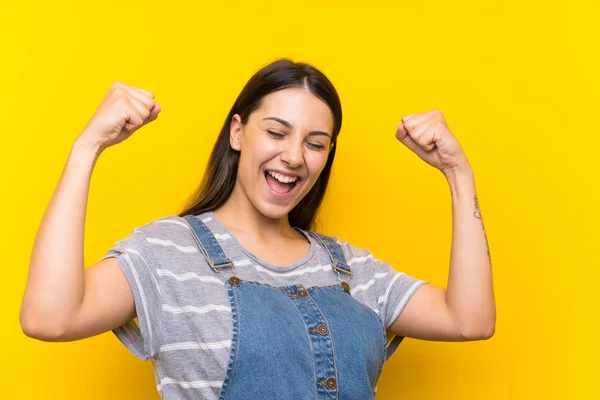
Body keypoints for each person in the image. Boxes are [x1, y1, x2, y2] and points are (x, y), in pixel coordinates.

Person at [20, 58, 495, 399]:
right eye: (276, 131)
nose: (294, 156)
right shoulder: (167, 253)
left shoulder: (350, 268)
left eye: (316, 143)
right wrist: (87, 149)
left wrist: (459, 173)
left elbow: (470, 320)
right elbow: (49, 317)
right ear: (237, 132)